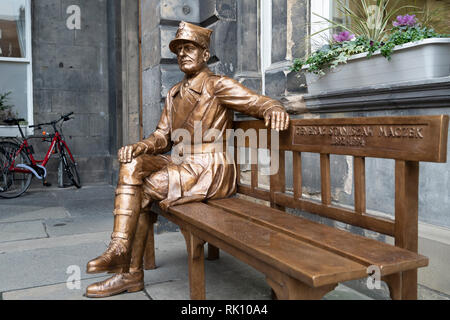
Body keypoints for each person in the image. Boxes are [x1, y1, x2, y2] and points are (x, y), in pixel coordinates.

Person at [85, 21, 290, 298]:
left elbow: (257, 102)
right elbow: (162, 137)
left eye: (190, 47)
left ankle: (129, 273)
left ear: (205, 55)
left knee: (144, 191)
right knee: (133, 164)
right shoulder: (174, 93)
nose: (182, 53)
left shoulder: (218, 86)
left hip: (211, 168)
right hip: (182, 162)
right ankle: (119, 248)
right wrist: (140, 147)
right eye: (179, 49)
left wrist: (274, 107)